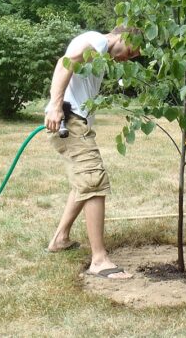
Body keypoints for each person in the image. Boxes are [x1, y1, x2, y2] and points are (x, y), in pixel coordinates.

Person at [44, 26, 140, 279]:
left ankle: (60, 238)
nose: (125, 59)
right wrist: (55, 106)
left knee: (82, 183)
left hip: (74, 121)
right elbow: (65, 63)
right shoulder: (98, 41)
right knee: (94, 181)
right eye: (129, 52)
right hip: (70, 121)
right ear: (122, 36)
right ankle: (99, 260)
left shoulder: (96, 48)